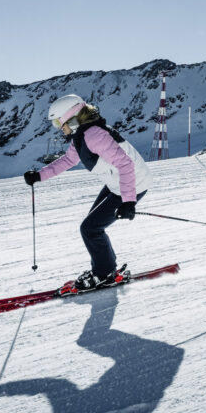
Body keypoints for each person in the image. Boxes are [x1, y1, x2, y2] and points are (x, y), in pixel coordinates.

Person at [24, 94, 151, 291]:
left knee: (90, 229)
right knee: (92, 226)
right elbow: (68, 160)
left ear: (72, 117)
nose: (59, 128)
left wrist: (129, 202)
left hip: (132, 184)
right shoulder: (81, 136)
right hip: (116, 184)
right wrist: (39, 176)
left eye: (59, 122)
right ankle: (107, 269)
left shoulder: (94, 136)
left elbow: (125, 164)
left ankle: (104, 274)